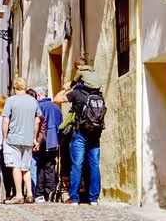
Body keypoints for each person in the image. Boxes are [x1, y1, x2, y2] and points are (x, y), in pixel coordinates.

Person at [54, 59, 107, 206]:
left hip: (80, 134)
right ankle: (93, 198)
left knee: (76, 165)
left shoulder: (77, 93)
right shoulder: (99, 95)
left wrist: (67, 88)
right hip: (95, 134)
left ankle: (74, 198)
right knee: (94, 165)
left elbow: (56, 99)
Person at [3, 77, 41, 204]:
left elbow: (5, 120)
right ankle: (30, 194)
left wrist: (4, 137)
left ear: (15, 87)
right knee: (26, 167)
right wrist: (34, 137)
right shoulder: (33, 101)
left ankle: (19, 195)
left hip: (13, 138)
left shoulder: (11, 100)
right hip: (28, 138)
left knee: (16, 167)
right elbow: (37, 121)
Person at [34, 86, 62, 203]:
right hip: (53, 140)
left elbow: (38, 124)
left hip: (41, 140)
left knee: (40, 166)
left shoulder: (38, 106)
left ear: (39, 95)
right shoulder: (56, 107)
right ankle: (50, 191)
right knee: (50, 166)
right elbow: (60, 123)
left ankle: (40, 192)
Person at [26, 88, 46, 196]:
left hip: (23, 141)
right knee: (32, 167)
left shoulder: (24, 109)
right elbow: (43, 126)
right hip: (33, 143)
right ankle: (32, 193)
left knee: (21, 167)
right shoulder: (37, 109)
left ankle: (23, 192)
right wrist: (38, 141)